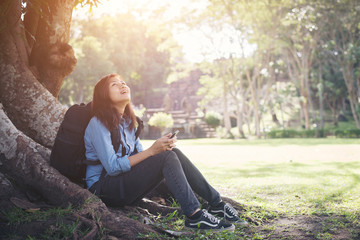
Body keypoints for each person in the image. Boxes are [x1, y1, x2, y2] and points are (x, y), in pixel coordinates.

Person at [84, 73, 248, 232]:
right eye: (114, 84)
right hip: (104, 189)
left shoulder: (128, 123)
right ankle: (194, 215)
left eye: (123, 82)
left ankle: (217, 204)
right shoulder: (98, 123)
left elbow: (142, 158)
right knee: (166, 157)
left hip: (124, 185)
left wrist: (160, 148)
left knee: (172, 152)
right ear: (104, 95)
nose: (122, 85)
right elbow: (112, 167)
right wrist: (152, 152)